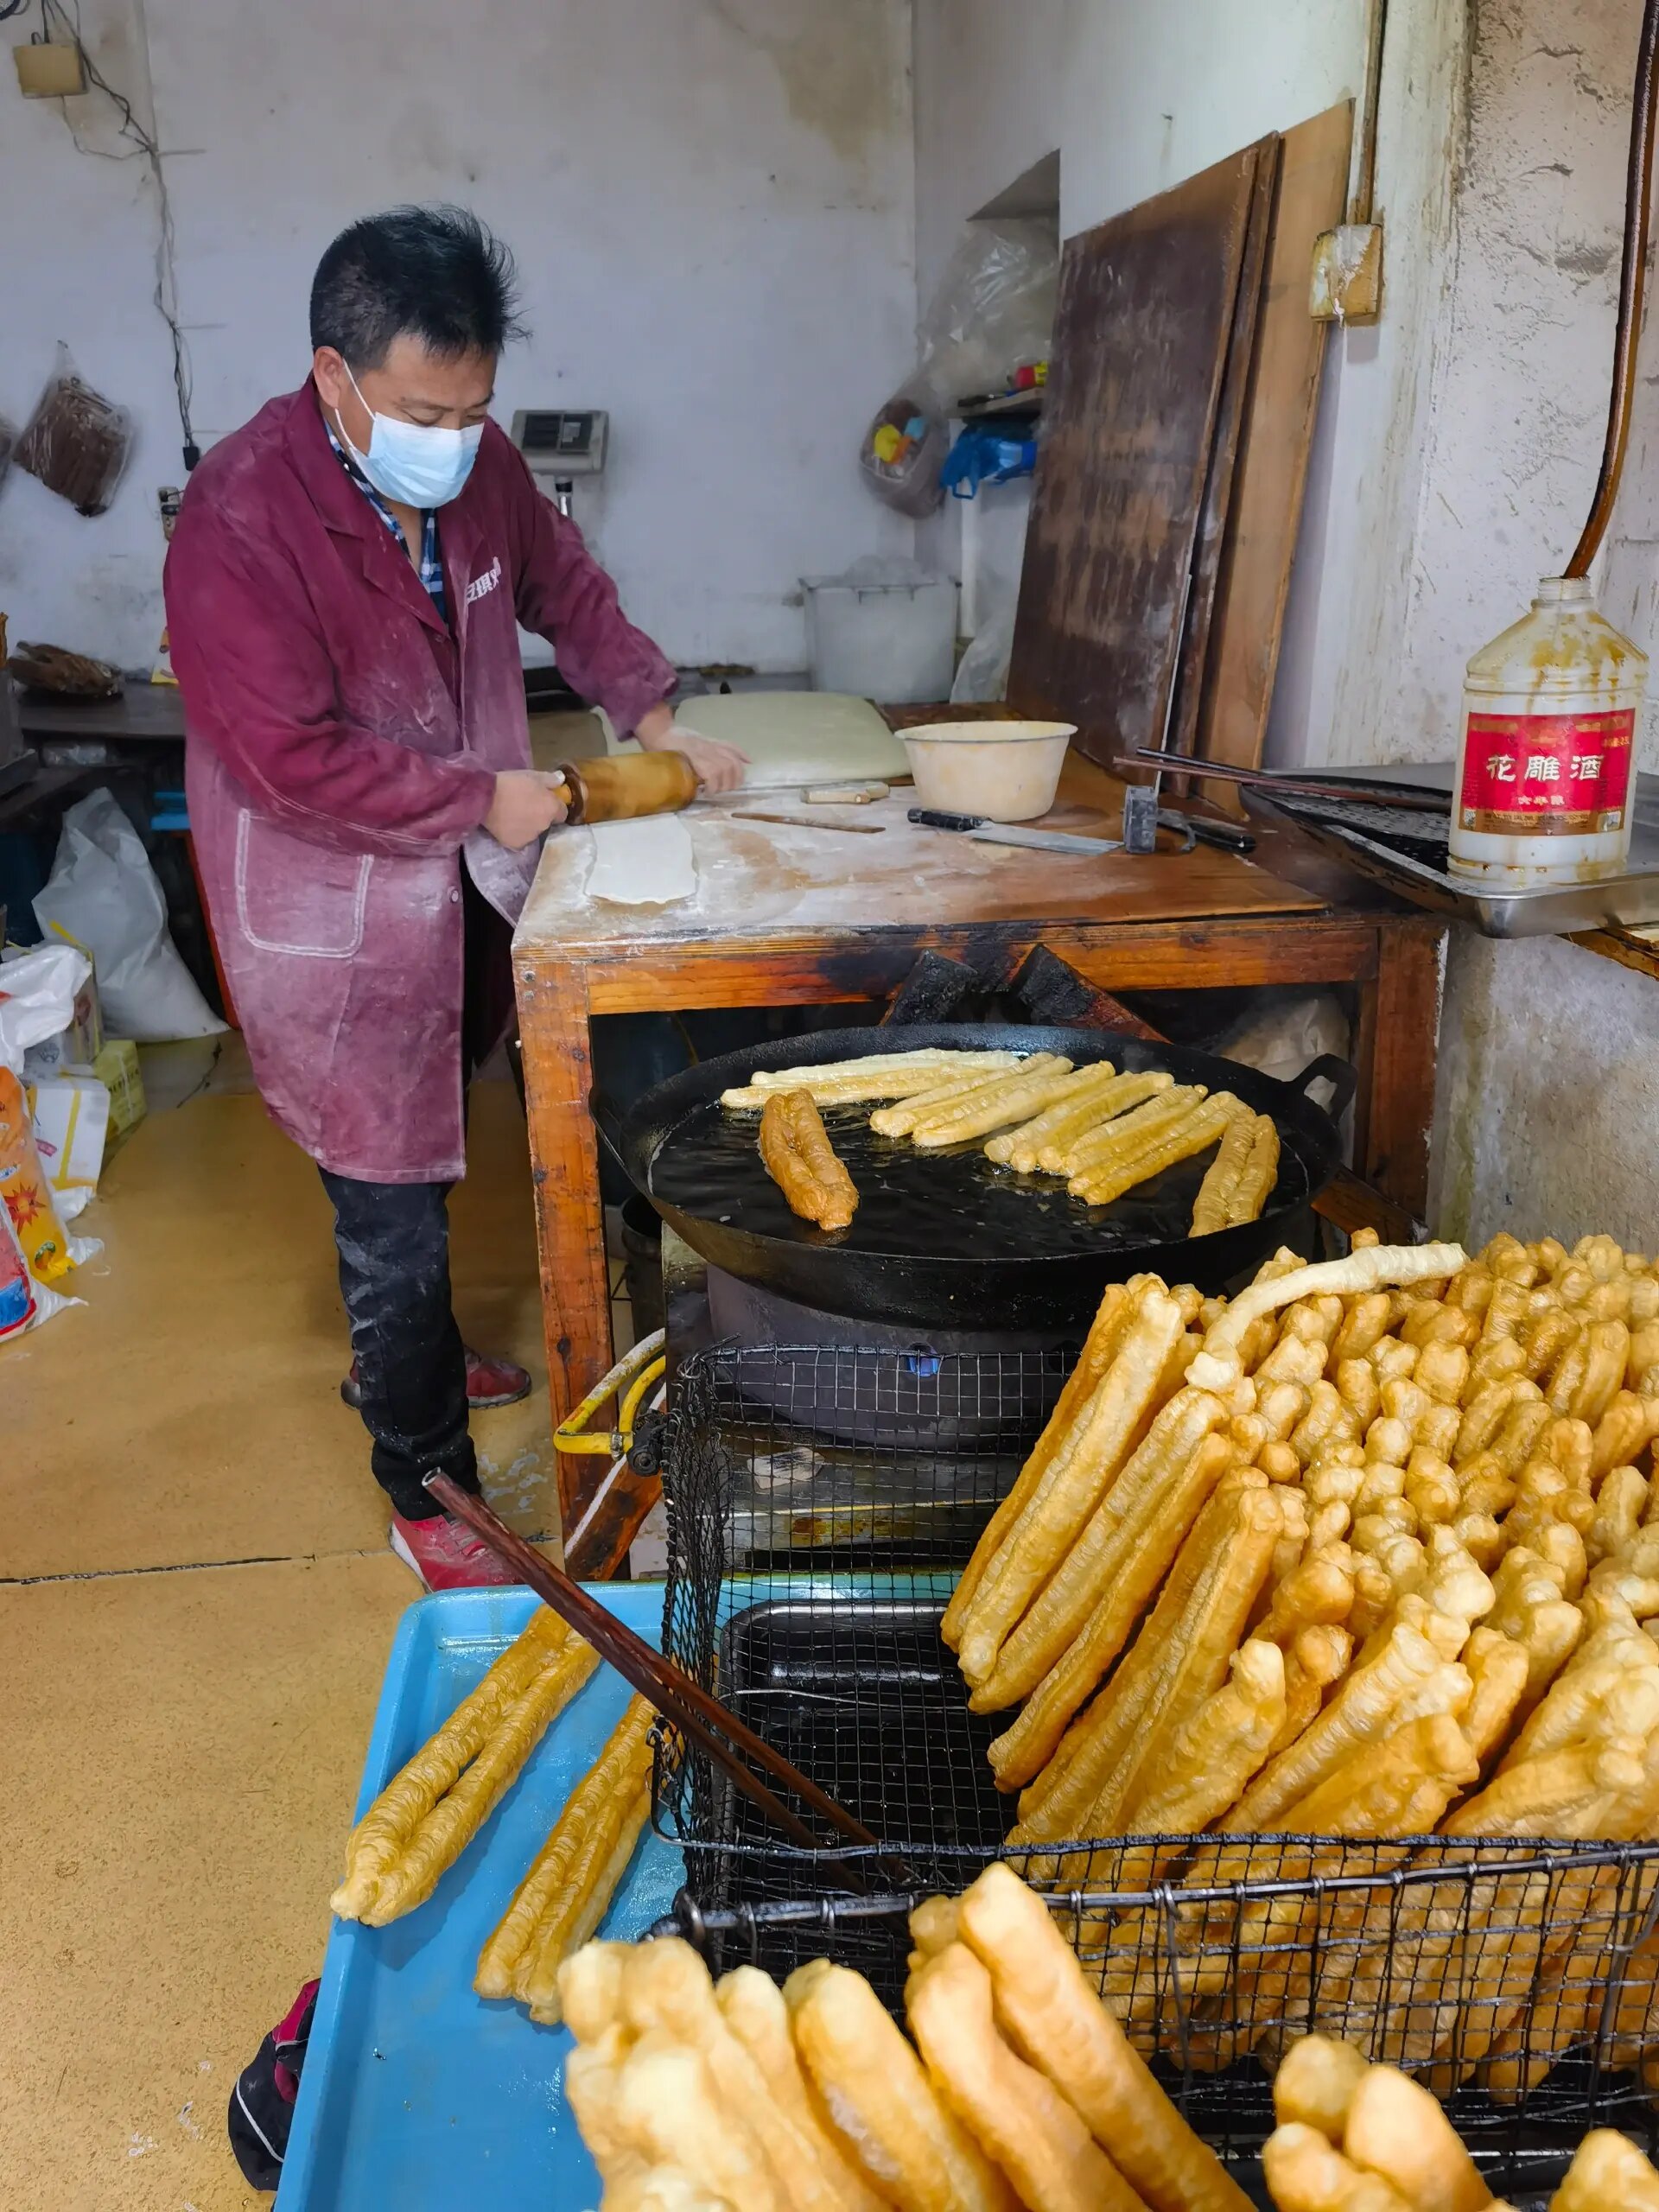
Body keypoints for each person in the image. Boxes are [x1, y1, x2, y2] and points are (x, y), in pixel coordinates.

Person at [164, 205, 745, 1591]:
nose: (457, 434)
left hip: (462, 888)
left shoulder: (474, 468)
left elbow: (566, 584)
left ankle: (407, 1346)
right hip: (331, 902)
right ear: (336, 378)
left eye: (477, 407)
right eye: (428, 409)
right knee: (388, 1199)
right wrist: (478, 795)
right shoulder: (241, 520)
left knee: (463, 1111)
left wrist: (652, 707)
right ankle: (421, 1477)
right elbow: (283, 755)